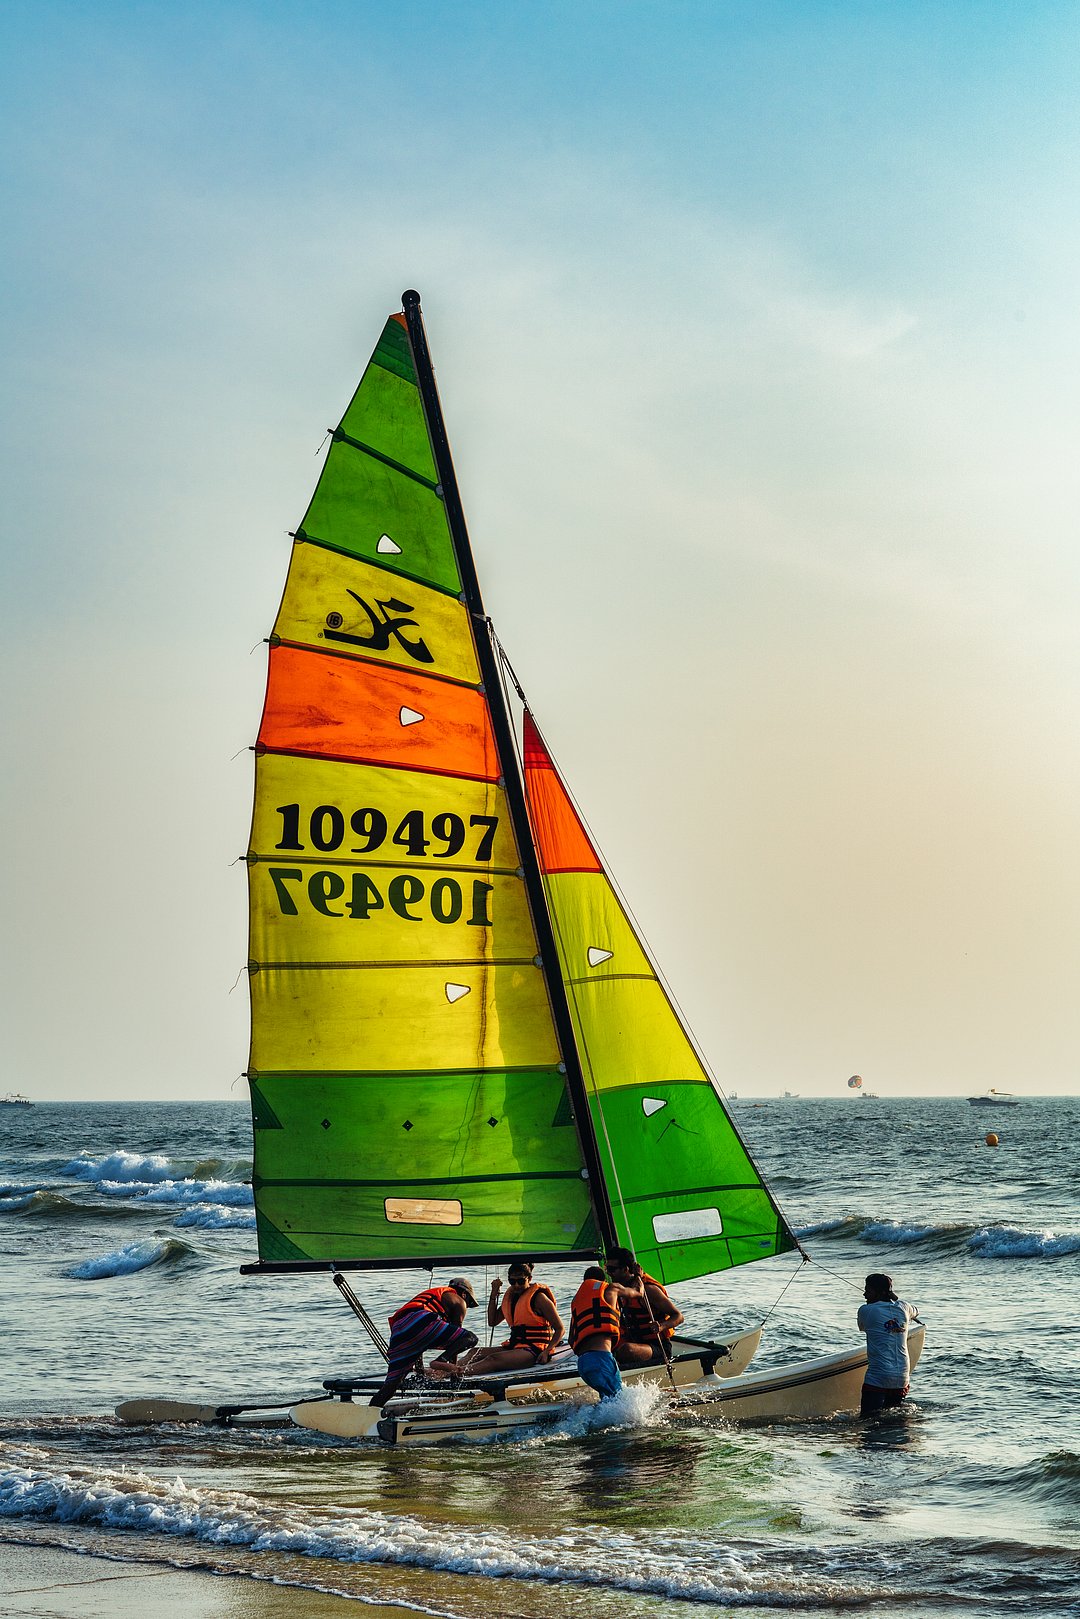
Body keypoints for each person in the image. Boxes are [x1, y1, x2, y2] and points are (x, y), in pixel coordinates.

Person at [367, 1277, 479, 1406]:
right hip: (422, 1320)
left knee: (390, 1386)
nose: (467, 1306)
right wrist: (454, 1375)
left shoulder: (436, 1294)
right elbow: (457, 1338)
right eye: (469, 1303)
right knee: (470, 1338)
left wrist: (420, 1373)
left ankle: (369, 1415)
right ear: (464, 1294)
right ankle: (440, 1360)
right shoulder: (459, 1300)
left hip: (399, 1329)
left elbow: (419, 1343)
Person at [446, 1262, 565, 1377]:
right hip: (515, 1346)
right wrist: (494, 1294)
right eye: (512, 1281)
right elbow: (492, 1321)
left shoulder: (539, 1298)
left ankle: (452, 1373)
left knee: (493, 1359)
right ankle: (446, 1369)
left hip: (535, 1350)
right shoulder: (512, 1297)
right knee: (475, 1352)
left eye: (521, 1281)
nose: (516, 1285)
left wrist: (547, 1351)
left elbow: (560, 1329)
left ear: (529, 1278)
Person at [604, 1247, 684, 1367]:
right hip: (635, 1341)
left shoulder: (649, 1291)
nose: (608, 1273)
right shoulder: (619, 1291)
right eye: (606, 1269)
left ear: (625, 1269)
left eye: (612, 1269)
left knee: (626, 1350)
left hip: (657, 1347)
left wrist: (662, 1326)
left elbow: (678, 1316)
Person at [857, 1271, 918, 1415]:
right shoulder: (904, 1307)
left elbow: (862, 1327)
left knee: (868, 1421)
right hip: (902, 1378)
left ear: (879, 1293)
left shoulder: (866, 1311)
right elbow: (916, 1311)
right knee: (892, 1421)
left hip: (878, 1378)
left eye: (868, 1291)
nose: (864, 1295)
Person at [568, 1265, 626, 1401]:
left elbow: (571, 1340)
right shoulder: (610, 1289)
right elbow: (637, 1292)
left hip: (583, 1364)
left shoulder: (577, 1301)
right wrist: (638, 1278)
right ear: (603, 1280)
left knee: (607, 1401)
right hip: (601, 1359)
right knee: (618, 1401)